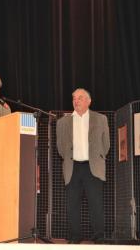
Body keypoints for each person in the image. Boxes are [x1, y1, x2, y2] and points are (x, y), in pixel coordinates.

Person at [56, 88, 110, 244]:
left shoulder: (101, 119)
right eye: (74, 98)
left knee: (96, 203)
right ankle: (75, 236)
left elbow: (105, 145)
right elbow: (60, 148)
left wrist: (97, 157)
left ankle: (99, 236)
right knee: (72, 204)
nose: (76, 101)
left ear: (89, 101)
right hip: (73, 167)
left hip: (92, 166)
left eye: (80, 98)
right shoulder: (62, 122)